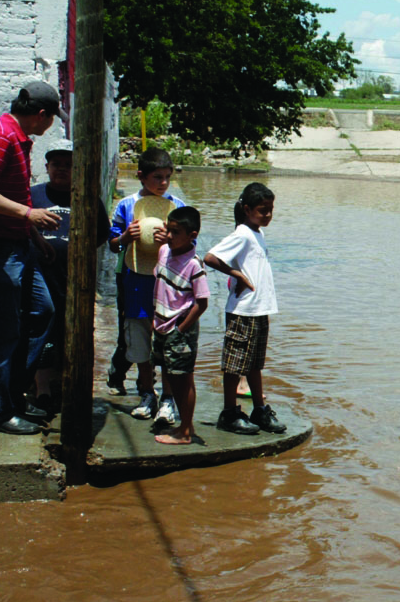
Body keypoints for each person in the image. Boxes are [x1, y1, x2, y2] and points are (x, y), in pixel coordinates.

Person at [0, 81, 66, 435]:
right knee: (4, 330)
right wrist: (28, 215)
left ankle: (12, 394)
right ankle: (0, 411)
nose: (51, 123)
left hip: (18, 245)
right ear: (42, 115)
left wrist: (35, 236)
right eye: (52, 118)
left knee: (43, 310)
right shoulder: (2, 136)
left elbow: (12, 193)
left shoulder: (19, 139)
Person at [29, 139, 110, 412]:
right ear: (47, 167)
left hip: (75, 281)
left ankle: (67, 387)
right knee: (42, 332)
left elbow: (102, 233)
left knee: (72, 333)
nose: (61, 169)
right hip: (40, 278)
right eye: (56, 164)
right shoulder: (34, 196)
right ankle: (41, 390)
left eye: (68, 165)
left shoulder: (87, 198)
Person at [107, 147, 185, 422]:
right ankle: (146, 391)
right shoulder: (127, 205)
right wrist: (126, 237)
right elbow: (112, 243)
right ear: (141, 176)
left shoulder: (177, 206)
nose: (163, 183)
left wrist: (172, 240)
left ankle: (168, 398)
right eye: (157, 177)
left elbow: (190, 245)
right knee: (138, 335)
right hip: (135, 277)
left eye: (167, 177)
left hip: (167, 281)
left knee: (166, 337)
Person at [204, 182, 286, 435]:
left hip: (258, 309)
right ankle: (229, 412)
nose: (268, 215)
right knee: (234, 364)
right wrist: (237, 275)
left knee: (254, 363)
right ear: (248, 209)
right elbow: (210, 257)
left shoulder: (257, 233)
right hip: (243, 310)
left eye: (271, 210)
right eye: (263, 210)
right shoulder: (242, 234)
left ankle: (259, 410)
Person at [152, 206, 209, 445]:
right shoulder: (164, 250)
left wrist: (181, 329)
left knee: (184, 378)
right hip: (162, 325)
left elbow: (202, 302)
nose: (170, 236)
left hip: (179, 327)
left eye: (176, 232)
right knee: (171, 376)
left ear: (192, 235)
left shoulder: (195, 265)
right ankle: (186, 426)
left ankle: (185, 431)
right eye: (169, 230)